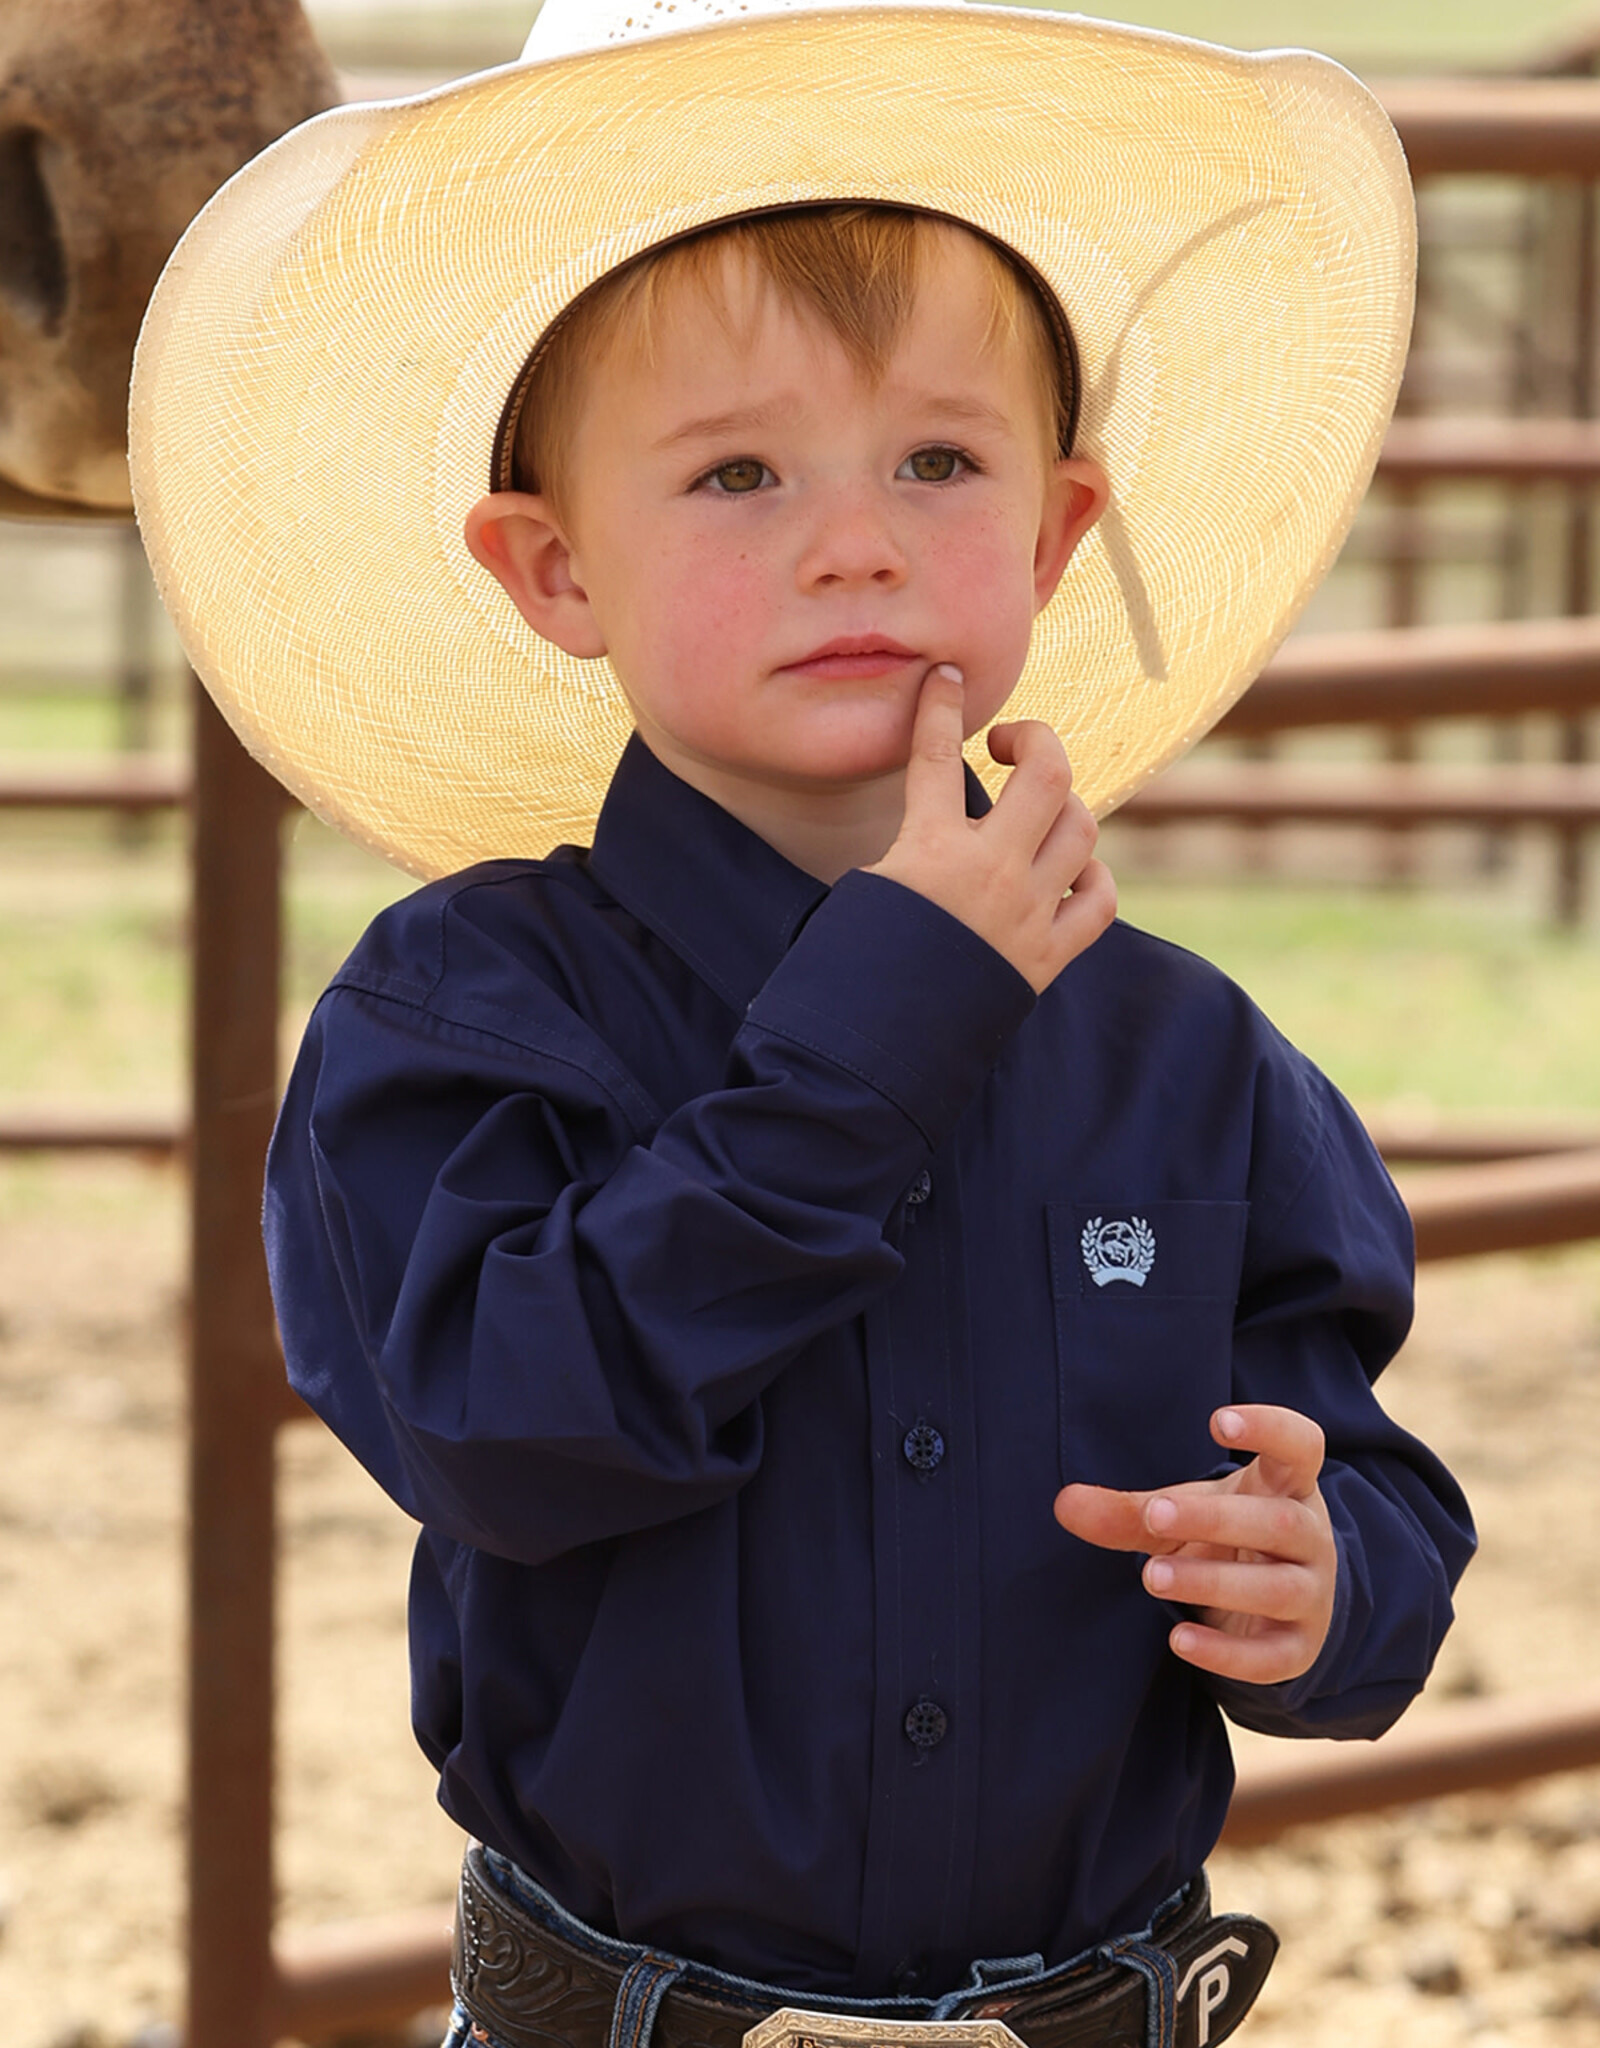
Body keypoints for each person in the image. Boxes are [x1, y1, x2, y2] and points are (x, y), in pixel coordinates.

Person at [128, 3, 1475, 2044]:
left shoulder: (1186, 1062)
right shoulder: (459, 1014)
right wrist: (887, 1031)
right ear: (551, 565)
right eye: (736, 469)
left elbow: (1359, 1473)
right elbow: (498, 1429)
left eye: (937, 458)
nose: (852, 536)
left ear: (1053, 531)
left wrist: (1328, 1583)